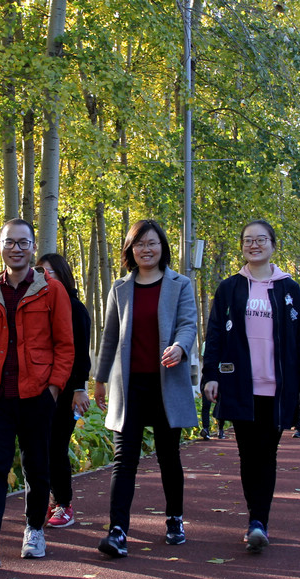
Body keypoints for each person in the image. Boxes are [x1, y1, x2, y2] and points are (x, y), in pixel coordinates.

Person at [0, 219, 74, 570]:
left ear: (33, 247)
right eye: (10, 242)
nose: (16, 248)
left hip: (37, 395)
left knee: (36, 466)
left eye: (24, 242)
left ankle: (34, 529)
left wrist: (53, 389)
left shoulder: (52, 290)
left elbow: (65, 345)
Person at [202, 219, 300, 554]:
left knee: (267, 453)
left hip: (278, 388)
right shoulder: (229, 288)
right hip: (240, 385)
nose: (254, 245)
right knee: (248, 454)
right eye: (248, 240)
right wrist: (211, 375)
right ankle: (256, 521)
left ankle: (258, 520)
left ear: (273, 245)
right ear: (242, 246)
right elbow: (215, 334)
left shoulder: (289, 288)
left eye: (261, 239)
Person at [93, 219, 198, 558]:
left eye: (152, 243)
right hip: (130, 386)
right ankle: (117, 531)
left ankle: (175, 519)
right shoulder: (120, 288)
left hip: (166, 382)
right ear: (130, 249)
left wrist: (180, 347)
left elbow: (188, 323)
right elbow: (110, 336)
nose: (146, 249)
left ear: (162, 247)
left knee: (169, 456)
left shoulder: (180, 284)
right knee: (124, 459)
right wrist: (99, 379)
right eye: (139, 244)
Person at [36, 253, 92, 529]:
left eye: (50, 272)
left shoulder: (75, 308)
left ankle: (64, 503)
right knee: (40, 447)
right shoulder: (37, 305)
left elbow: (81, 353)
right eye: (40, 272)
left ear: (63, 276)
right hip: (40, 389)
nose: (45, 277)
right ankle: (50, 499)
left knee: (56, 446)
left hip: (67, 391)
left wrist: (80, 388)